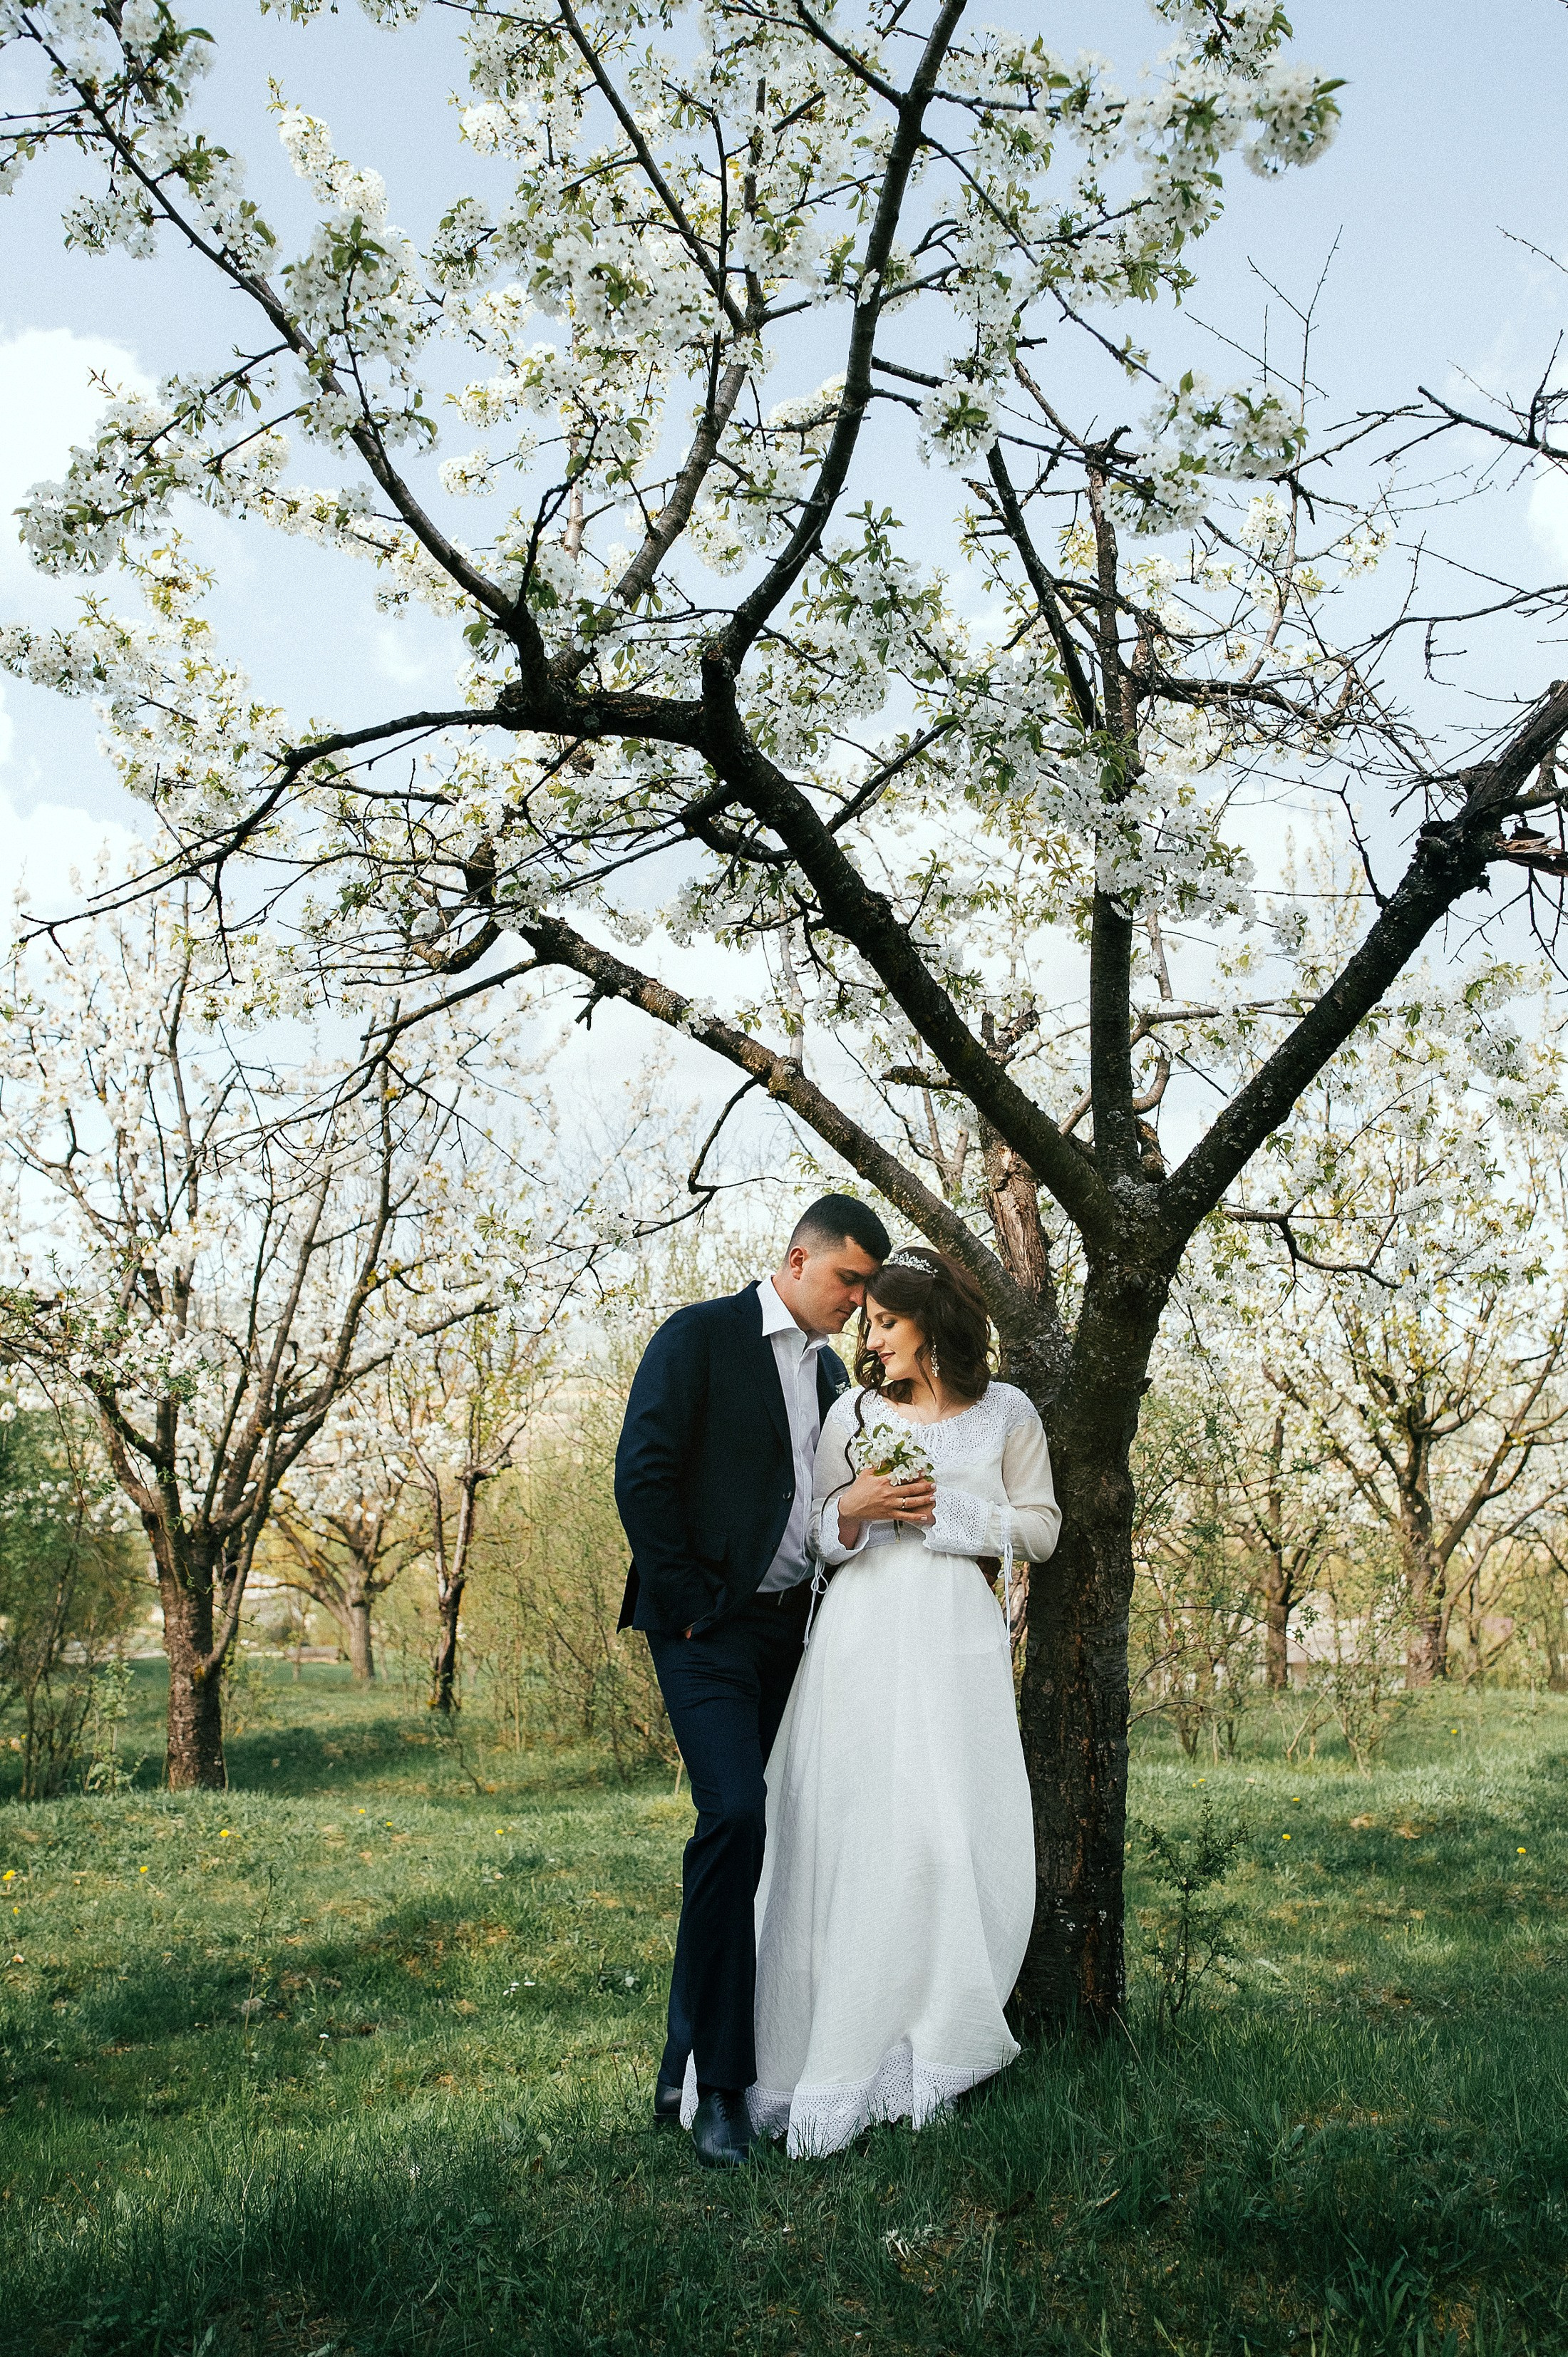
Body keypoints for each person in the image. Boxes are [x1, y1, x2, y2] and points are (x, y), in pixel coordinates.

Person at [748, 1245, 1060, 2159]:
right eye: (868, 1321)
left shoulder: (1007, 1412)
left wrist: (949, 1520)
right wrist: (860, 1506)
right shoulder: (851, 1410)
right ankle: (818, 2047)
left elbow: (1041, 1527)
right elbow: (812, 1529)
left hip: (955, 1638)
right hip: (859, 1638)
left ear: (930, 1321)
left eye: (884, 1321)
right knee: (849, 1827)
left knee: (941, 1829)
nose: (869, 1336)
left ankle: (929, 2037)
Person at [614, 1192, 892, 2167]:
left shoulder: (823, 1371)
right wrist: (693, 1600)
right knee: (735, 1813)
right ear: (796, 1257)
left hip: (795, 1633)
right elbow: (641, 1473)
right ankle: (723, 2092)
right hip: (705, 1629)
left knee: (752, 1840)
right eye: (847, 1278)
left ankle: (682, 2051)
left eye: (867, 1287)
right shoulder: (699, 1335)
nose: (858, 1302)